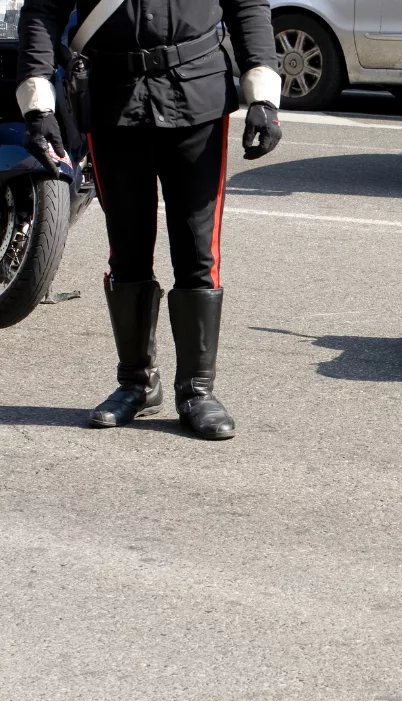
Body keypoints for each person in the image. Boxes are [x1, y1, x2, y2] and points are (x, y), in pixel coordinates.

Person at [17, 0, 283, 440]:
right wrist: (38, 103)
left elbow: (247, 6)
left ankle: (197, 390)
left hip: (196, 97)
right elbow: (43, 9)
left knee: (198, 251)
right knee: (127, 248)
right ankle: (137, 383)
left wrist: (264, 97)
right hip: (111, 100)